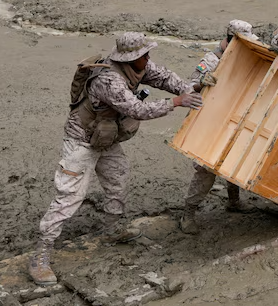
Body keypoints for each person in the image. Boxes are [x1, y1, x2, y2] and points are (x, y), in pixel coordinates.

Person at [28, 33, 203, 286]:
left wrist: (188, 89)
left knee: (117, 180)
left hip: (106, 138)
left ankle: (111, 230)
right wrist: (177, 102)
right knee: (69, 196)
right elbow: (138, 110)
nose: (148, 59)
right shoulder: (108, 79)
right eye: (144, 56)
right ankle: (40, 254)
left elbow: (164, 77)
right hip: (81, 142)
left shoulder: (138, 65)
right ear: (131, 58)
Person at [180, 20, 254, 235]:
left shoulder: (242, 56)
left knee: (233, 160)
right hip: (207, 120)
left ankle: (234, 201)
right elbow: (188, 86)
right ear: (231, 40)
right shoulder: (211, 60)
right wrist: (202, 82)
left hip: (231, 117)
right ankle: (188, 213)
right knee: (206, 170)